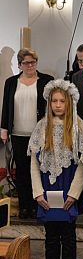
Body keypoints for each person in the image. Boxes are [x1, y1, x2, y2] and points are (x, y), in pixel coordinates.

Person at [28, 79, 83, 259]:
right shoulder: (42, 127)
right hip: (47, 187)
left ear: (70, 102)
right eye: (54, 101)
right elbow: (34, 162)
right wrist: (38, 193)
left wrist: (73, 194)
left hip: (68, 186)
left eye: (62, 101)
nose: (57, 105)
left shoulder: (79, 127)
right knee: (51, 238)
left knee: (69, 237)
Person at [1, 48, 54, 219]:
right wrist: (4, 129)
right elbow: (6, 107)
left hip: (40, 134)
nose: (30, 65)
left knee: (38, 170)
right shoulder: (11, 82)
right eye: (26, 63)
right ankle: (25, 207)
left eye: (33, 62)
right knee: (22, 171)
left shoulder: (47, 81)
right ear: (19, 65)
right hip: (18, 133)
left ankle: (37, 205)